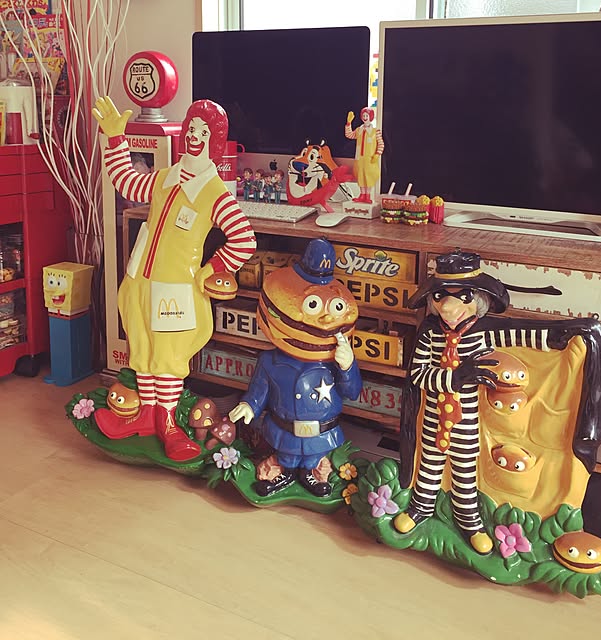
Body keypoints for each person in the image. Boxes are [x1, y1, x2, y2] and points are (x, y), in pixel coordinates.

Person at [91, 96, 256, 461]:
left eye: (203, 132)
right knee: (144, 351)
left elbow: (244, 239)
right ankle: (146, 416)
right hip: (141, 283)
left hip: (175, 291)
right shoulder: (167, 176)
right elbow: (127, 184)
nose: (195, 136)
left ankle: (167, 423)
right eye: (191, 128)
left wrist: (210, 270)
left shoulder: (214, 192)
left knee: (166, 358)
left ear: (214, 141)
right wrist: (116, 139)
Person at [393, 250, 563, 555]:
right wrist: (456, 377)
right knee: (429, 466)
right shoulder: (429, 332)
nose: (449, 306)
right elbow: (418, 374)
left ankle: (469, 520)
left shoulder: (484, 333)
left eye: (463, 297)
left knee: (464, 473)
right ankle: (421, 507)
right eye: (441, 296)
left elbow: (521, 336)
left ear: (480, 299)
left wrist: (562, 337)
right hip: (433, 419)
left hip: (467, 421)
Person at [229, 238, 361, 497]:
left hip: (320, 432)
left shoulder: (333, 361)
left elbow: (352, 392)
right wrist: (249, 406)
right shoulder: (269, 361)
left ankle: (310, 473)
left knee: (313, 457)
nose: (325, 318)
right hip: (284, 428)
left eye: (335, 308)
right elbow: (259, 391)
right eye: (314, 305)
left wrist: (347, 366)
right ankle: (286, 472)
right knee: (286, 455)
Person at [344, 107, 384, 204]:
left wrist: (377, 154)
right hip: (359, 159)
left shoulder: (376, 131)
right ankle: (362, 195)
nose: (365, 117)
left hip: (370, 160)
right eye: (364, 115)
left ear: (371, 117)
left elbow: (381, 144)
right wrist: (348, 124)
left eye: (367, 115)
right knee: (360, 176)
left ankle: (368, 195)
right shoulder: (359, 130)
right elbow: (349, 135)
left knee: (369, 177)